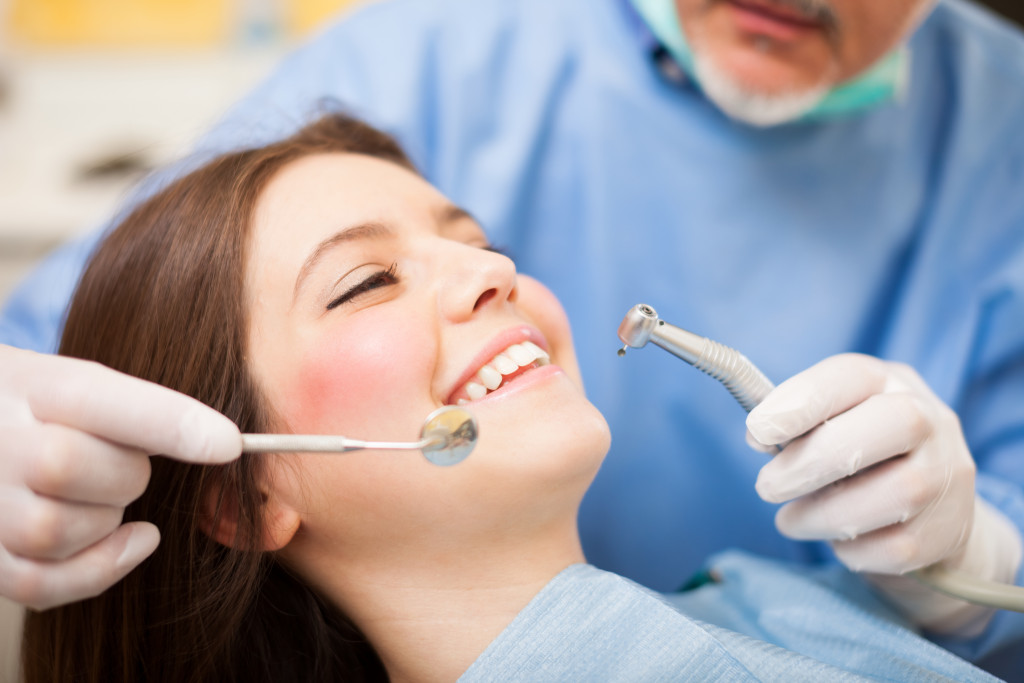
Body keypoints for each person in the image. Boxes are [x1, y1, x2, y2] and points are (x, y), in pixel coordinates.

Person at [2, 0, 1024, 674]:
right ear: (240, 487)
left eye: (483, 238)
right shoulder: (447, 43)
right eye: (366, 280)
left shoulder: (771, 605)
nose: (492, 269)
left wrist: (966, 564)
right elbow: (93, 355)